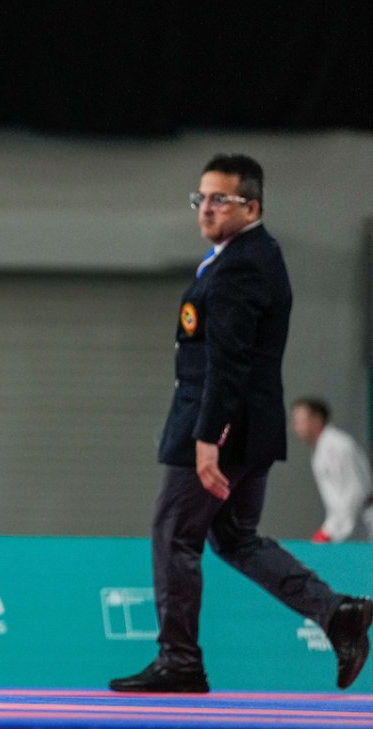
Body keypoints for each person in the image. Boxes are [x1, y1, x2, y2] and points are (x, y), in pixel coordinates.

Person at [109, 154, 373, 694]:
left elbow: (225, 363)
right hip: (249, 428)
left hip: (217, 428)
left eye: (219, 199)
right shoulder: (247, 256)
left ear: (251, 206)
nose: (205, 208)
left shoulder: (241, 265)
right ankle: (335, 612)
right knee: (234, 537)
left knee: (174, 534)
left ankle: (179, 659)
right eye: (200, 198)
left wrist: (206, 440)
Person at [290, 397, 373, 543]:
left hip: (361, 529)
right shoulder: (324, 448)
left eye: (300, 421)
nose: (296, 427)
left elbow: (354, 493)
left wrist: (329, 532)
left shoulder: (337, 446)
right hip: (349, 530)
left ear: (316, 420)